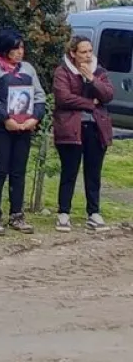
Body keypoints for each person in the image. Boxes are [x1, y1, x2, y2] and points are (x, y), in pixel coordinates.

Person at [0, 29, 46, 235]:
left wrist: (35, 117)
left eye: (22, 48)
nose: (19, 52)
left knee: (19, 171)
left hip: (24, 128)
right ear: (5, 49)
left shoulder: (28, 69)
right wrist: (6, 120)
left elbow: (40, 94)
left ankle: (17, 214)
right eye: (15, 49)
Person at [53, 35, 114, 232]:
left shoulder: (100, 71)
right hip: (71, 128)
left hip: (96, 128)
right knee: (69, 171)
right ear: (73, 53)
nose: (88, 56)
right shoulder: (63, 72)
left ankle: (93, 213)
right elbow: (63, 98)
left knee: (93, 172)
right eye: (83, 52)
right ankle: (63, 213)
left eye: (90, 51)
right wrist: (89, 103)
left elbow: (107, 95)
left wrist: (91, 79)